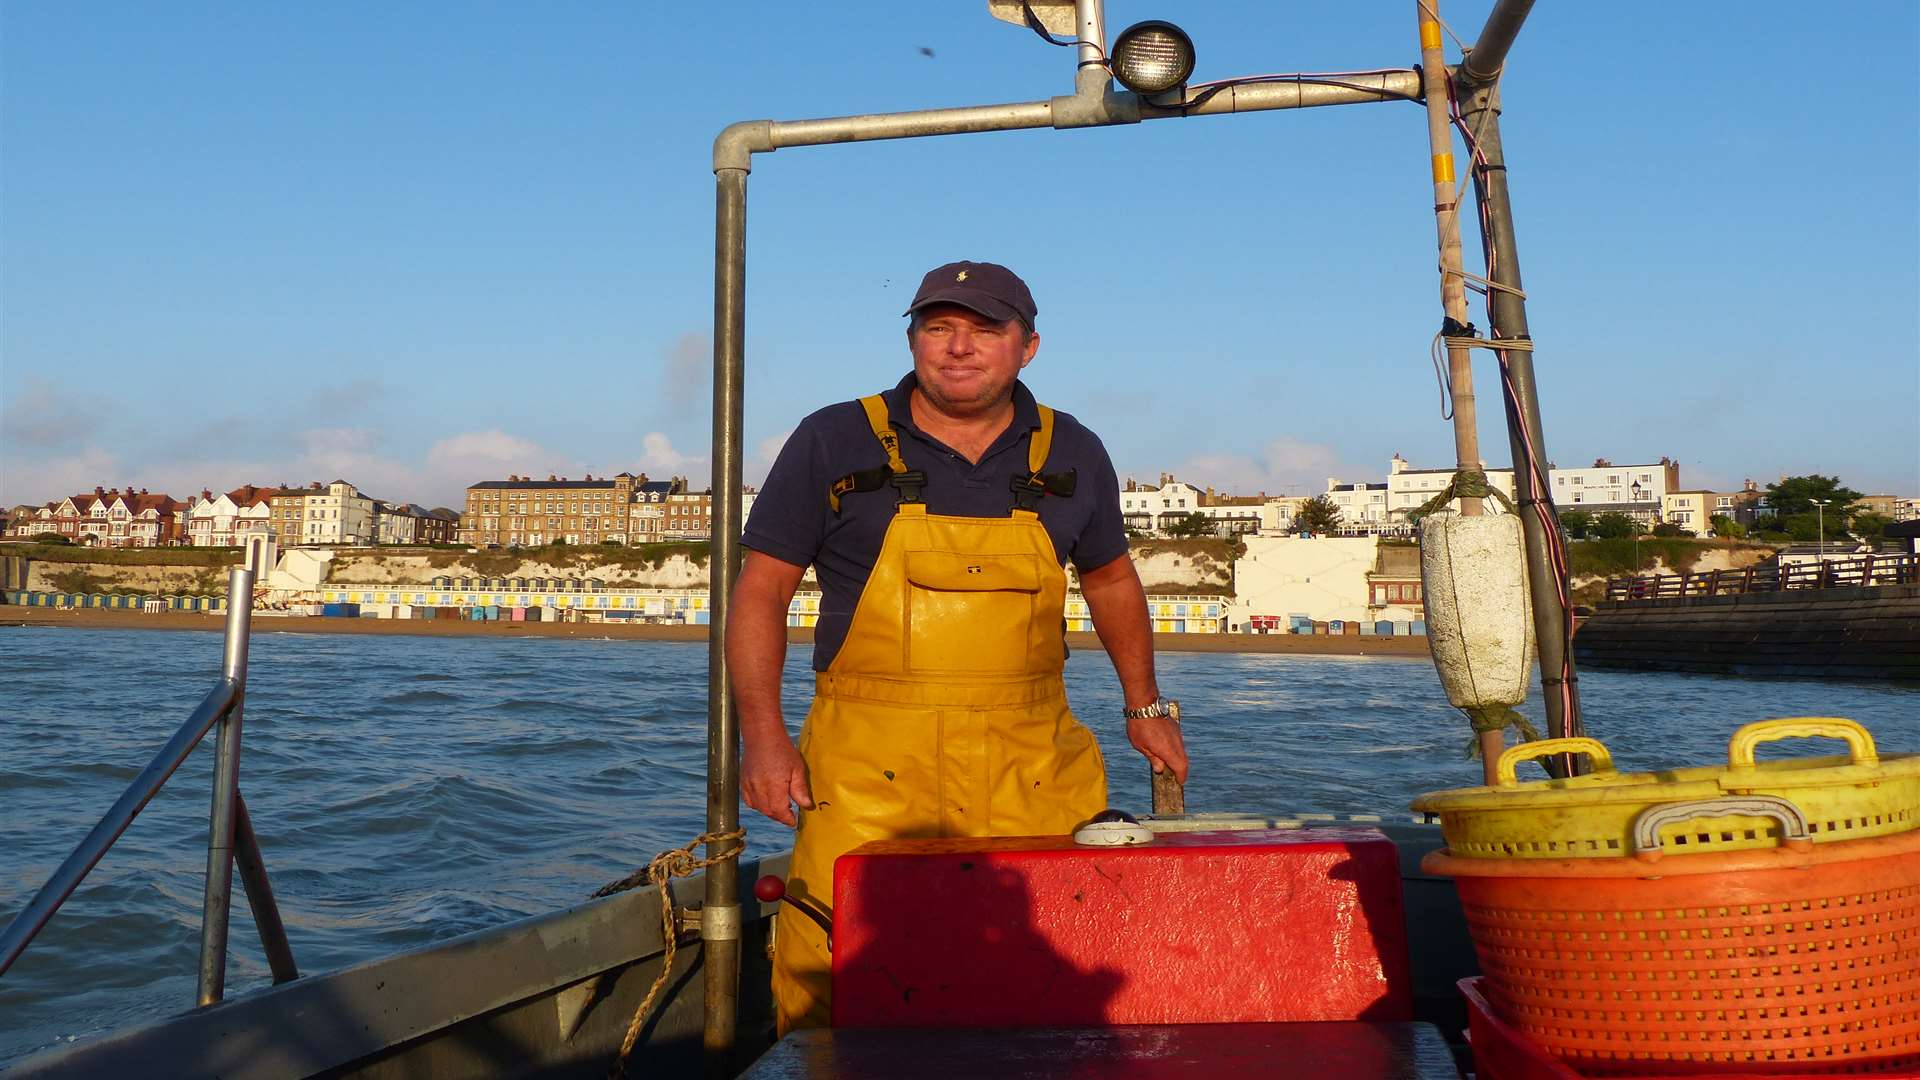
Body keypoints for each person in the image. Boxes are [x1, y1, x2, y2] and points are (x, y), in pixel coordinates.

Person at [726, 259, 1189, 1031]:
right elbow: (761, 590)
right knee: (830, 965)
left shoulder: (1073, 450)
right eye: (938, 328)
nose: (958, 348)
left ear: (1028, 347)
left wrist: (1146, 705)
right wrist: (764, 737)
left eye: (985, 329)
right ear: (912, 340)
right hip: (866, 763)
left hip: (1031, 760)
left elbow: (1110, 581)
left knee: (1046, 967)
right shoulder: (832, 438)